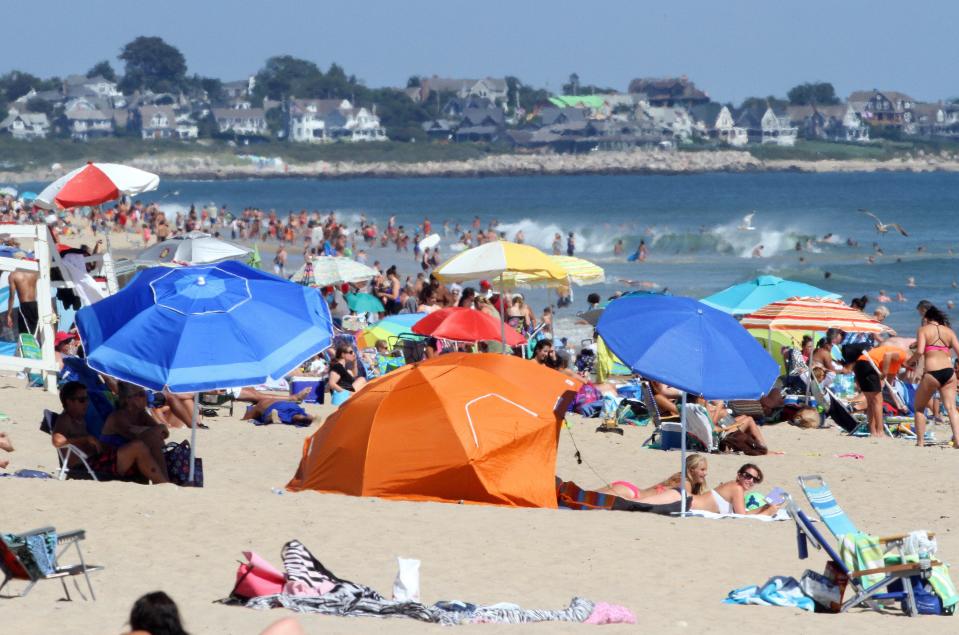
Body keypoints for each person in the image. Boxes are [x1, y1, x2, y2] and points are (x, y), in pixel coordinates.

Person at [53, 382, 168, 484]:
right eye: (82, 400)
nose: (86, 403)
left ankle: (164, 482)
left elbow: (162, 433)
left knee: (146, 443)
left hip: (96, 461)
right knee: (138, 446)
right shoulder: (65, 419)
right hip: (84, 467)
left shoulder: (81, 419)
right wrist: (86, 439)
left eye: (87, 399)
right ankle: (163, 483)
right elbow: (57, 441)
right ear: (69, 402)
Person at [626, 463, 779, 516]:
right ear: (739, 475)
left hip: (683, 500)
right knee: (636, 503)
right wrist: (767, 512)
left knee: (638, 505)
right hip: (684, 500)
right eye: (747, 476)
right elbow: (742, 517)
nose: (750, 481)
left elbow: (743, 513)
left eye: (755, 479)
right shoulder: (736, 488)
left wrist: (764, 507)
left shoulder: (736, 488)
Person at [907, 306, 959, 447]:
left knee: (919, 407)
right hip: (949, 372)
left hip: (932, 373)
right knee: (951, 408)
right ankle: (958, 441)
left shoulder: (923, 330)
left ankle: (921, 442)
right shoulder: (949, 332)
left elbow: (919, 352)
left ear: (926, 318)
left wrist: (909, 362)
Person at [101, 382, 172, 474]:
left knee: (154, 439)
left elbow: (164, 433)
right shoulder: (117, 417)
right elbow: (135, 435)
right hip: (109, 462)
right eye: (142, 394)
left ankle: (165, 478)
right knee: (151, 440)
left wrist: (158, 428)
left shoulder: (141, 414)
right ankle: (165, 479)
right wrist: (157, 429)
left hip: (133, 459)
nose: (146, 397)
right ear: (128, 399)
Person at [841, 343, 908, 438]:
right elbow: (887, 355)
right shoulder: (902, 354)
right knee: (877, 401)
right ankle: (880, 432)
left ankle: (873, 432)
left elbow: (889, 386)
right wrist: (884, 373)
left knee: (871, 402)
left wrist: (898, 404)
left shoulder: (895, 363)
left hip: (860, 364)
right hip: (869, 364)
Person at [601, 454, 709, 500]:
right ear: (691, 470)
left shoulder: (678, 477)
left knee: (586, 496)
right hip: (632, 494)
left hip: (629, 489)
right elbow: (691, 503)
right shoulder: (686, 484)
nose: (705, 473)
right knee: (588, 499)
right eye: (702, 470)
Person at [5, 268, 39, 338]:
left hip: (25, 306)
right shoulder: (34, 273)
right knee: (36, 332)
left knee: (25, 335)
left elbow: (12, 296)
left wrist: (9, 314)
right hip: (35, 305)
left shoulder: (13, 275)